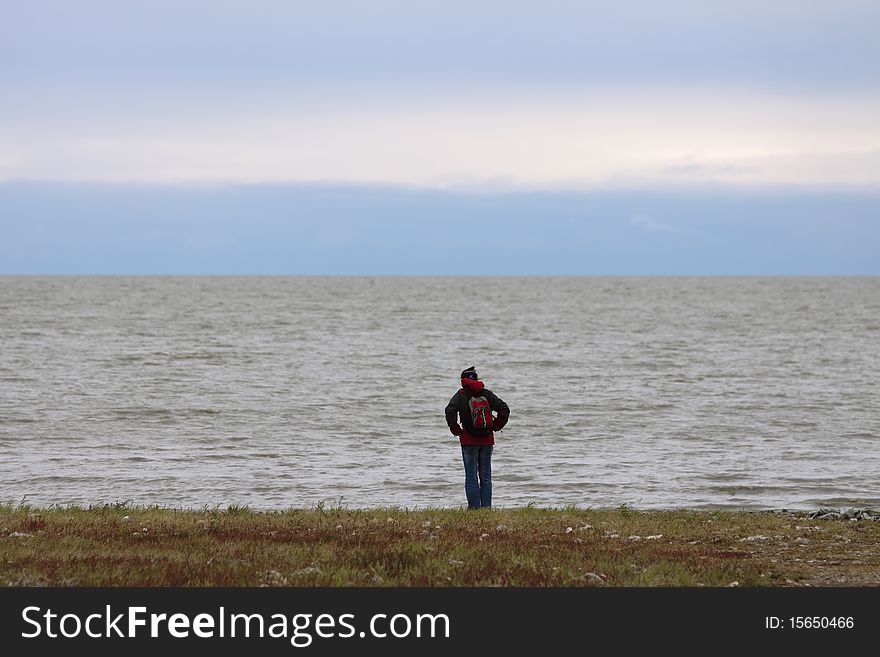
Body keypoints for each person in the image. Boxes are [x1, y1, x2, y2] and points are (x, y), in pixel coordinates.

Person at [445, 366, 510, 509]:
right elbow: (504, 408)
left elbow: (450, 411)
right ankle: (486, 508)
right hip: (487, 440)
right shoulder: (486, 393)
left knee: (471, 477)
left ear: (463, 380)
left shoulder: (460, 395)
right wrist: (496, 426)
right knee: (486, 477)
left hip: (468, 441)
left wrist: (456, 430)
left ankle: (474, 509)